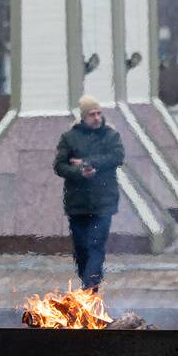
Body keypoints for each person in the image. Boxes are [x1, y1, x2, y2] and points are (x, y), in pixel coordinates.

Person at [53, 95, 125, 291]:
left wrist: (89, 163)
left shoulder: (110, 135)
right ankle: (88, 282)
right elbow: (59, 166)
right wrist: (78, 172)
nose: (97, 118)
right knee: (81, 249)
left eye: (99, 113)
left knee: (96, 246)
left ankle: (90, 287)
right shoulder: (69, 137)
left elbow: (117, 157)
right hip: (77, 204)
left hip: (103, 202)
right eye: (92, 114)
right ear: (83, 117)